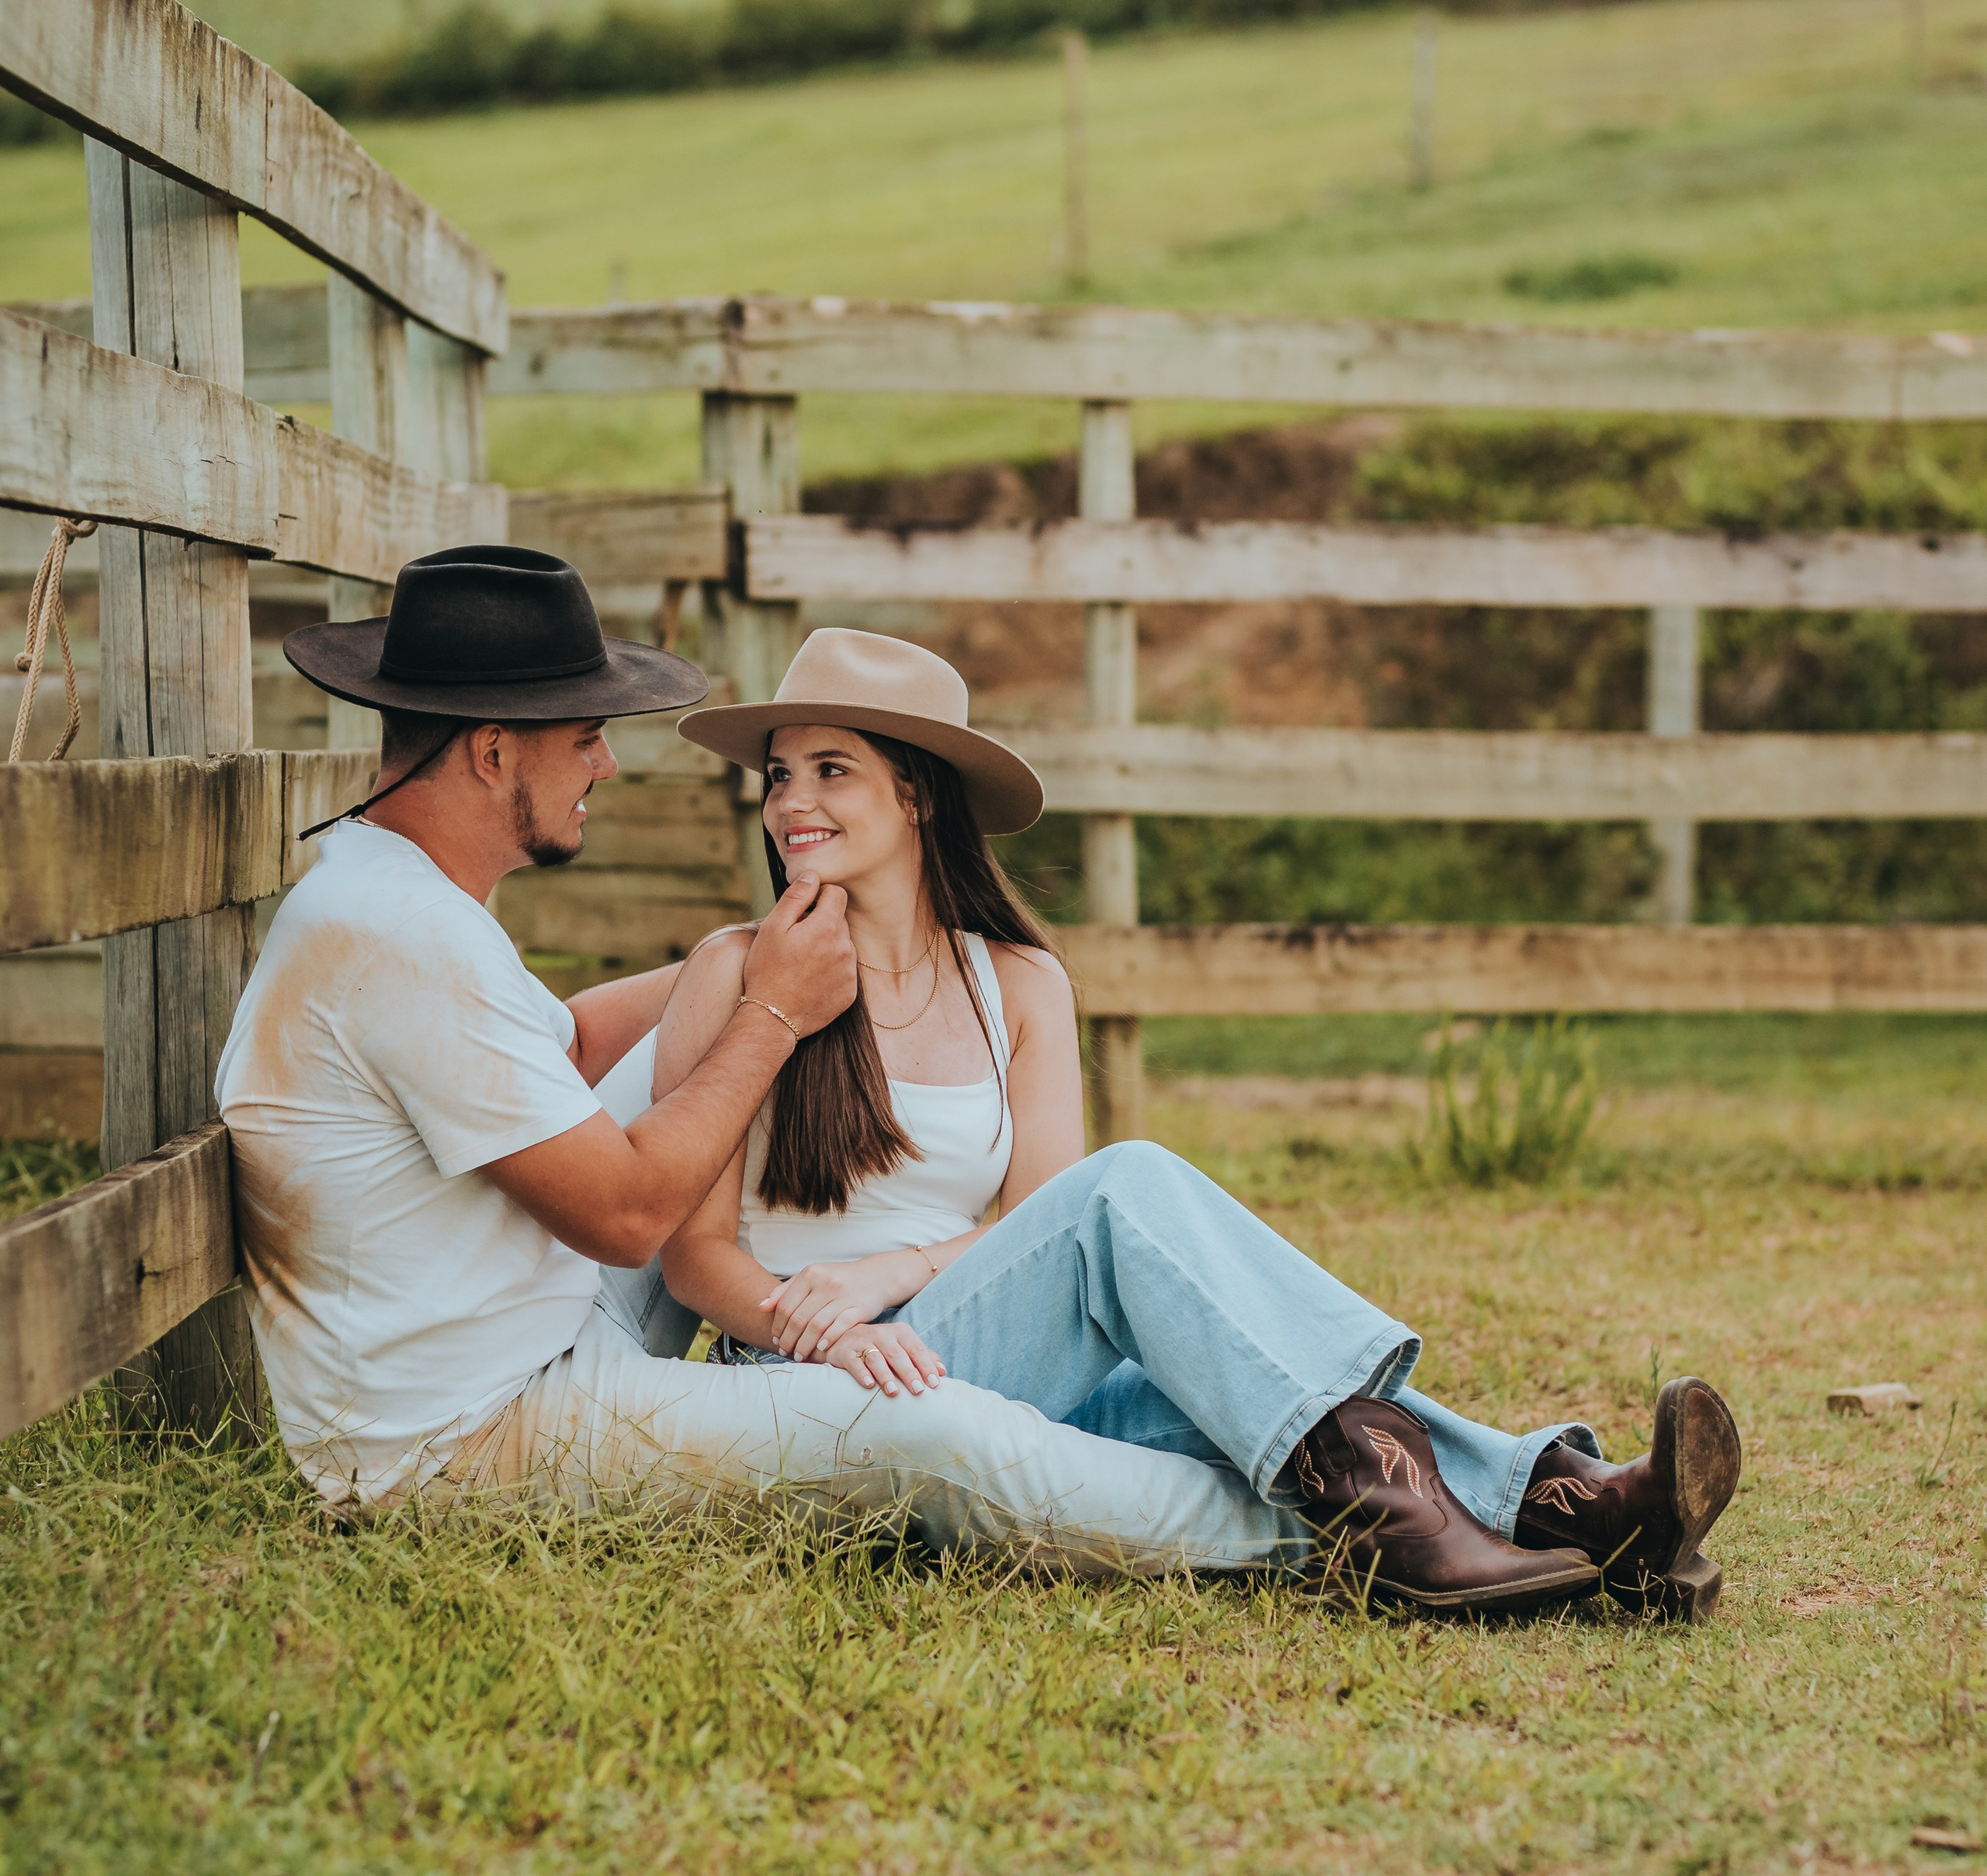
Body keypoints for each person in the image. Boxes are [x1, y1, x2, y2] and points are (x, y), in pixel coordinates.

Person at [216, 550, 1736, 1616]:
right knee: (1077, 1277)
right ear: (492, 750)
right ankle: (1431, 1534)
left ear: (912, 799)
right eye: (581, 738)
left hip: (653, 1348)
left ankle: (1545, 1501)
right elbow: (635, 1221)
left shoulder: (413, 923)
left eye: (831, 771)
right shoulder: (412, 935)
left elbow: (526, 1049)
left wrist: (728, 985)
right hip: (545, 1407)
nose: (607, 768)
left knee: (1164, 1372)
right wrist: (757, 1005)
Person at [644, 626, 1742, 1622]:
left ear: (918, 795)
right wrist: (822, 1320)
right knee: (1129, 1192)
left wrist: (898, 1270)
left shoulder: (1017, 983)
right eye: (781, 773)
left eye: (832, 770)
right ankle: (1472, 1516)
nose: (793, 800)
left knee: (1238, 1382)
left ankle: (1583, 1515)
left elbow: (1036, 1225)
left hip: (971, 1342)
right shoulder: (737, 970)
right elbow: (689, 1254)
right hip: (811, 1379)